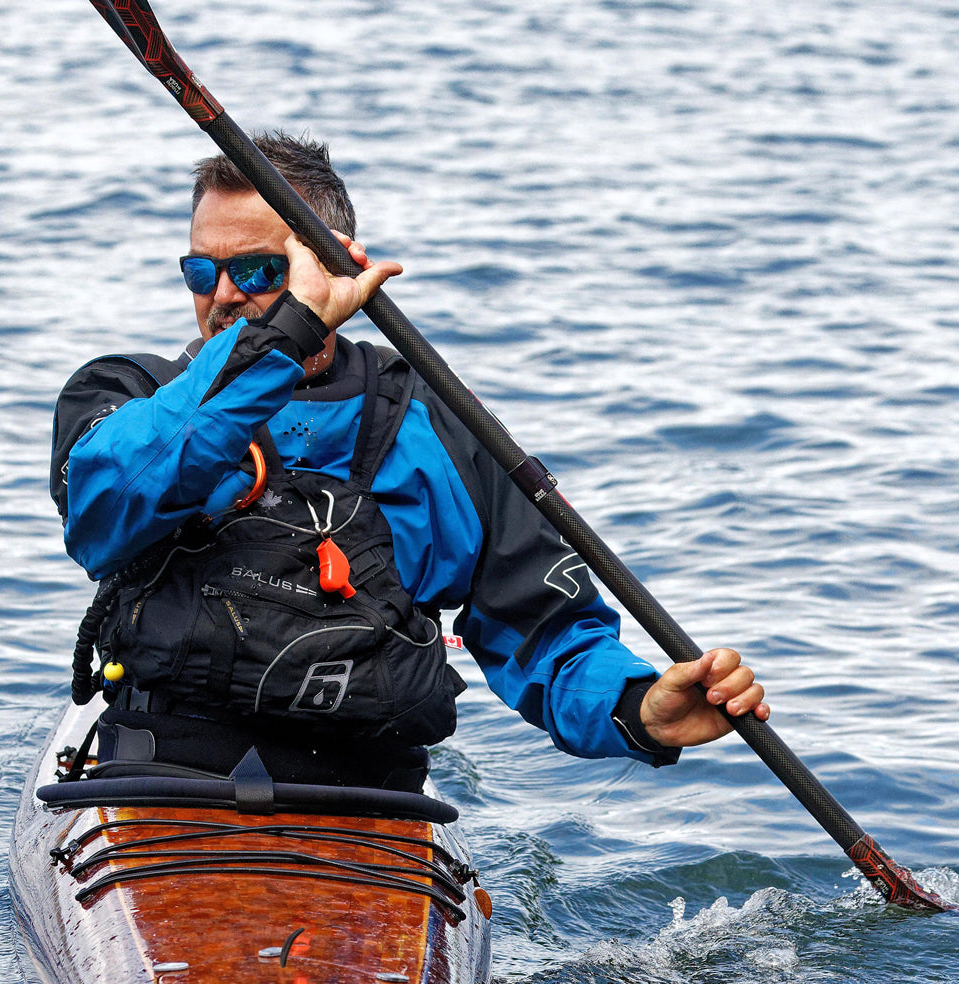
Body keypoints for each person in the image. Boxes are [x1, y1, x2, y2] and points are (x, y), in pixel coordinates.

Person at [51, 134, 768, 792]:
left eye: (259, 270)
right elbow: (105, 511)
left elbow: (543, 629)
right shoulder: (124, 395)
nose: (224, 295)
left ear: (332, 265)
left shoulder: (438, 422)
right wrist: (286, 334)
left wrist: (637, 709)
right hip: (158, 782)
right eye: (200, 271)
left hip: (369, 800)